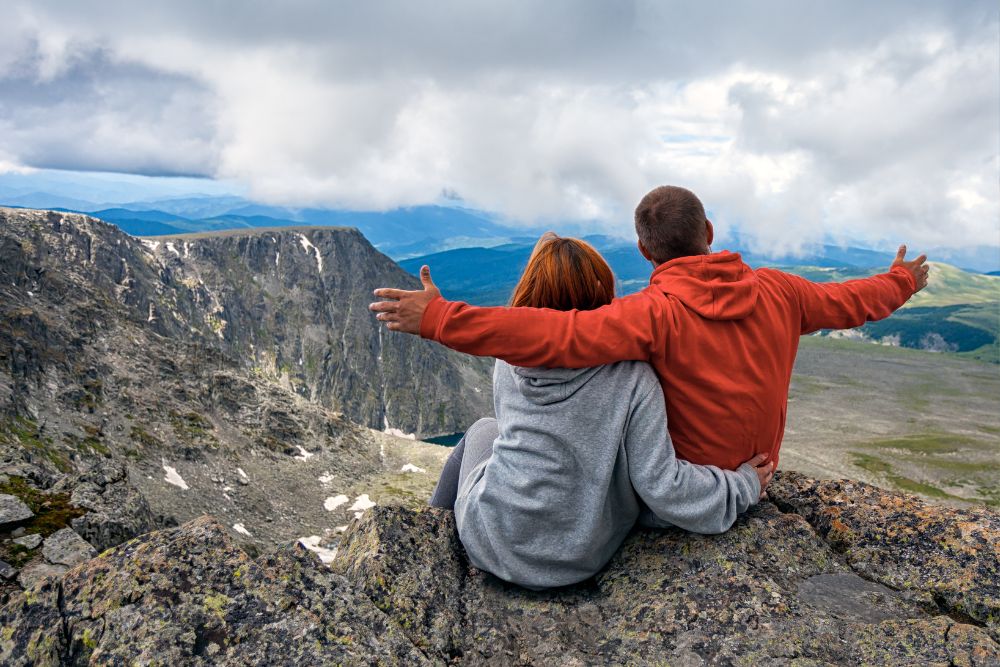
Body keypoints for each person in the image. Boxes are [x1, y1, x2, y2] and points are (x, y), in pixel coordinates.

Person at [370, 185, 930, 473]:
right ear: (709, 230)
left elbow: (553, 336)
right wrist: (900, 279)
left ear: (643, 251)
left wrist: (440, 318)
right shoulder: (781, 291)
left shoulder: (652, 315)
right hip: (756, 477)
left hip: (678, 492)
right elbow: (852, 301)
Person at [426, 234, 772, 589]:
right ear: (601, 294)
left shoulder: (507, 360)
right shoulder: (631, 377)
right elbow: (663, 487)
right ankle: (430, 531)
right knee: (490, 429)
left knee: (484, 429)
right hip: (574, 559)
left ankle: (428, 535)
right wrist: (742, 485)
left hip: (488, 538)